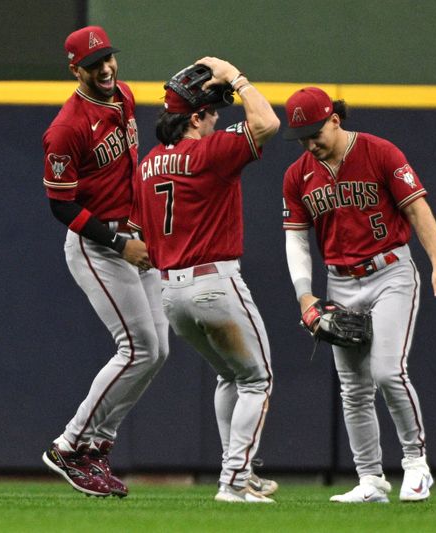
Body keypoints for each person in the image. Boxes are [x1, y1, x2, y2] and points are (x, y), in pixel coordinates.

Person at [281, 87, 436, 503]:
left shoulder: (380, 152)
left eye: (315, 133)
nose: (310, 143)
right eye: (302, 137)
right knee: (353, 387)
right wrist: (304, 295)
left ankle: (416, 464)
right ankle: (370, 480)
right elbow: (296, 240)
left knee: (386, 372)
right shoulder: (297, 175)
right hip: (339, 281)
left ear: (335, 120)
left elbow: (417, 209)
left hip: (390, 272)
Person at [128, 58, 281, 503]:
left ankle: (240, 471)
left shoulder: (148, 165)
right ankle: (234, 480)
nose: (218, 119)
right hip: (214, 281)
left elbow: (138, 236)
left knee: (228, 378)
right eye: (212, 112)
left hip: (170, 293)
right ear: (194, 117)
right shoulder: (207, 152)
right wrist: (236, 77)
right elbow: (268, 122)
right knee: (257, 380)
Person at [39, 25, 169, 498]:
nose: (107, 68)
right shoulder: (66, 128)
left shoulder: (125, 97)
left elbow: (129, 163)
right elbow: (61, 205)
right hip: (99, 246)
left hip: (134, 236)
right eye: (95, 64)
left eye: (109, 58)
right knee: (136, 347)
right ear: (76, 70)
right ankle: (69, 445)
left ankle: (95, 447)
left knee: (157, 351)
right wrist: (117, 243)